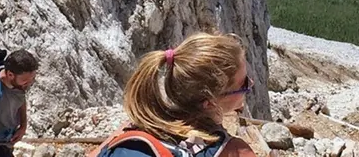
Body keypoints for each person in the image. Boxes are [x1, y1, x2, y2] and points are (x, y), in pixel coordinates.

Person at [92, 32, 257, 157]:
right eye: (243, 83)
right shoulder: (235, 151)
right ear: (210, 102)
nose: (250, 84)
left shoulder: (134, 132)